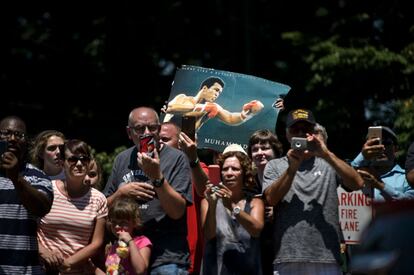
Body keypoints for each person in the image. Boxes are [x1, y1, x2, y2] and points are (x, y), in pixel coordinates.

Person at [262, 108, 364, 274]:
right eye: (296, 129)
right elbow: (271, 199)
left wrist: (326, 154)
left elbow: (357, 183)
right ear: (287, 134)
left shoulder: (328, 162)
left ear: (314, 132)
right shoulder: (275, 165)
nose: (301, 133)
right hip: (288, 257)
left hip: (327, 256)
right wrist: (292, 168)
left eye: (307, 129)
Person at [103, 106, 192, 274]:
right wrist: (121, 193)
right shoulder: (122, 159)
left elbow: (177, 212)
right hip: (127, 258)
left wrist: (157, 178)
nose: (147, 133)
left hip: (166, 257)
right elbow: (102, 208)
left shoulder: (177, 158)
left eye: (152, 128)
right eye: (139, 128)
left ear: (159, 130)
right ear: (129, 133)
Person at [37, 139, 108, 274]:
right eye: (73, 159)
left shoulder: (99, 199)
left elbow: (97, 243)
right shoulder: (47, 190)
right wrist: (44, 252)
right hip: (42, 268)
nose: (79, 164)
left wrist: (68, 263)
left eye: (84, 159)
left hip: (75, 270)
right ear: (62, 162)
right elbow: (29, 228)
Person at [0, 116, 54, 274]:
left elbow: (42, 208)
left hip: (25, 269)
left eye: (19, 135)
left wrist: (16, 178)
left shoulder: (38, 176)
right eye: (6, 133)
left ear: (27, 142)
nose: (12, 139)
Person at [201, 147, 265, 275]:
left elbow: (256, 230)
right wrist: (213, 206)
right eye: (225, 169)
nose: (229, 173)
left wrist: (232, 207)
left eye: (235, 169)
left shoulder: (255, 202)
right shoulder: (207, 201)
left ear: (244, 173)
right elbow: (209, 235)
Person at [159, 121, 210, 275]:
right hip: (155, 253)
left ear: (181, 143)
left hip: (187, 253)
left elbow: (204, 190)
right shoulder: (150, 168)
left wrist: (193, 159)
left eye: (165, 140)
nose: (159, 144)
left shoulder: (196, 167)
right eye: (157, 139)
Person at [163, 76, 264, 130]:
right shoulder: (183, 98)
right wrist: (203, 108)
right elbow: (171, 108)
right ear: (205, 88)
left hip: (186, 147)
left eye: (219, 92)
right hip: (166, 140)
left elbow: (231, 118)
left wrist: (247, 113)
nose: (217, 94)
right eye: (216, 90)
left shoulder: (212, 107)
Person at [247, 129, 283, 275]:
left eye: (265, 148)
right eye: (255, 149)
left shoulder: (286, 179)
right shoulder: (248, 185)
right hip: (257, 252)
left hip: (282, 251)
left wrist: (278, 211)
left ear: (275, 151)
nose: (260, 152)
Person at [351, 126, 414, 201]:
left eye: (386, 143)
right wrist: (363, 155)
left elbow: (409, 204)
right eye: (375, 143)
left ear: (396, 149)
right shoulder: (359, 170)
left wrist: (380, 185)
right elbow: (343, 177)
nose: (381, 147)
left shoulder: (407, 178)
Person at [95, 196, 152, 275]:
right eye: (114, 222)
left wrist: (130, 242)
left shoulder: (142, 242)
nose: (117, 226)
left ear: (134, 222)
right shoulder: (112, 247)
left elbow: (140, 270)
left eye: (123, 223)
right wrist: (93, 269)